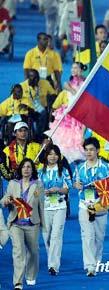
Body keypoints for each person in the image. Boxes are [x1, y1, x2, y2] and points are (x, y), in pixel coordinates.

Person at [0, 158, 44, 289]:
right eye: (24, 167)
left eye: (29, 167)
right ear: (20, 169)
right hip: (16, 224)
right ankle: (18, 282)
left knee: (33, 252)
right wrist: (6, 200)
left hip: (32, 224)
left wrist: (44, 225)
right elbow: (3, 200)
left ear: (32, 169)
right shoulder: (13, 184)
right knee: (18, 252)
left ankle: (30, 275)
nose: (26, 169)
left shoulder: (38, 185)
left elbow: (41, 205)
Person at [73, 137, 109, 277]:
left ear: (97, 151)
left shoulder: (105, 167)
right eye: (86, 150)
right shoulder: (79, 169)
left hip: (100, 205)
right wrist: (77, 185)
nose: (89, 152)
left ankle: (97, 261)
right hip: (84, 205)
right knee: (88, 236)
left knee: (99, 237)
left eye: (91, 150)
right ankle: (90, 266)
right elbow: (75, 183)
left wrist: (99, 186)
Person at [39, 144, 71, 275]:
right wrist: (42, 192)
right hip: (45, 208)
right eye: (50, 154)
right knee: (47, 237)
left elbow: (68, 188)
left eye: (55, 154)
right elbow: (35, 191)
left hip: (60, 206)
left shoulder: (63, 171)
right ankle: (52, 258)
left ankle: (53, 266)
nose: (53, 157)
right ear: (46, 156)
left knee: (56, 236)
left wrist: (58, 189)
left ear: (59, 156)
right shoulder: (40, 172)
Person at [45, 62, 86, 163]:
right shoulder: (66, 87)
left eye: (76, 68)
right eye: (72, 67)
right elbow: (54, 106)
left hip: (79, 120)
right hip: (66, 121)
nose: (73, 70)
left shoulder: (85, 85)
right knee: (63, 144)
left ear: (81, 70)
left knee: (76, 143)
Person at [20, 69, 57, 140]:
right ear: (28, 77)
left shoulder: (45, 83)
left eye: (37, 77)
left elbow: (53, 94)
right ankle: (28, 136)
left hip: (41, 108)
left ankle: (39, 135)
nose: (36, 80)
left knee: (43, 113)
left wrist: (52, 104)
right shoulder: (22, 86)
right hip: (27, 109)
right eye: (33, 78)